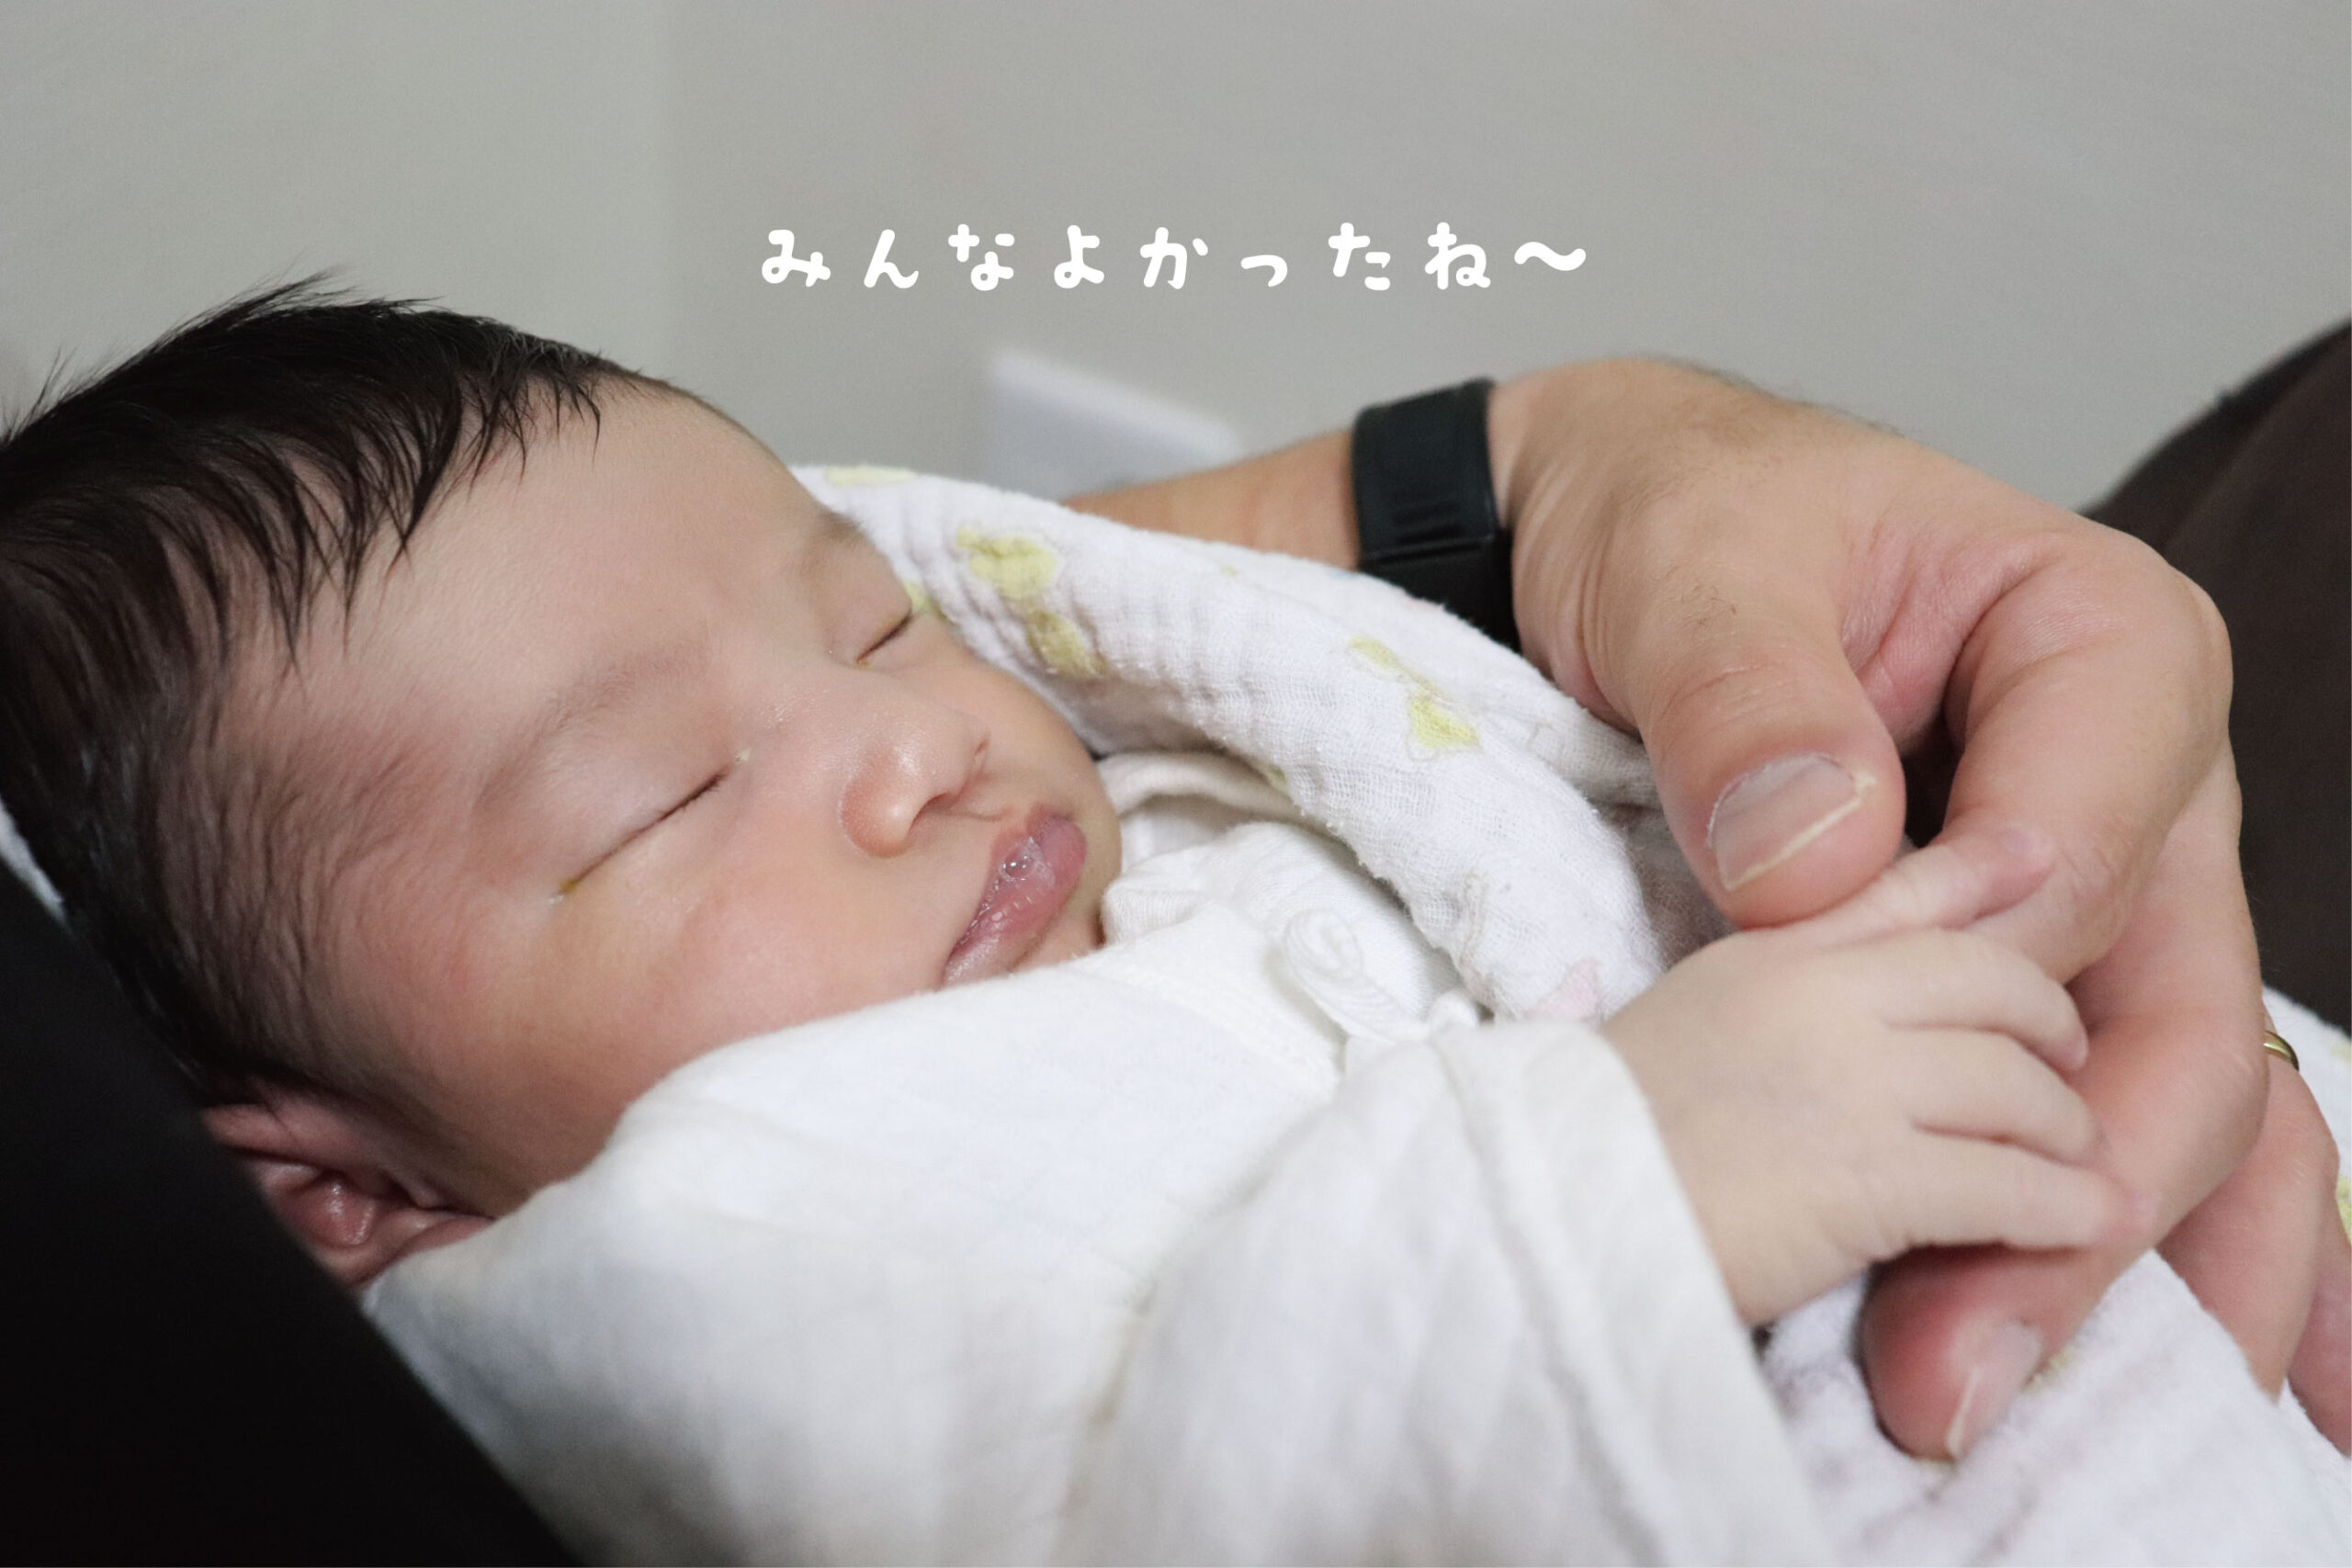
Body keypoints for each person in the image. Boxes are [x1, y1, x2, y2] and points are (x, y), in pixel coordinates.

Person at [0, 286, 2337, 1467]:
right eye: (667, 797)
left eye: (873, 617)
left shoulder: (1121, 843)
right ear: (357, 1191)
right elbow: (1184, 1484)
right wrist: (1633, 1182)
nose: (913, 743)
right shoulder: (705, 1278)